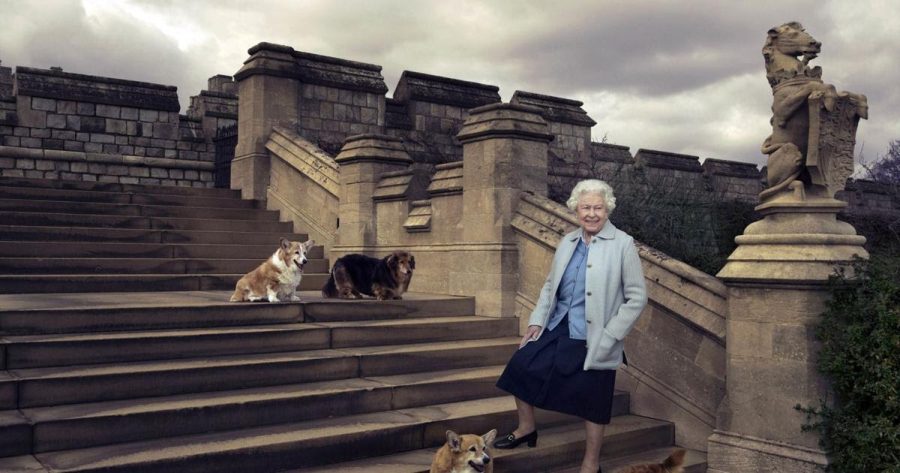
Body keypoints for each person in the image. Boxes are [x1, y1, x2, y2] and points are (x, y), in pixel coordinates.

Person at [494, 179, 647, 473]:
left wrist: (612, 334)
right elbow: (551, 286)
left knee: (594, 397)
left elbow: (637, 297)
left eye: (598, 208)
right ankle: (527, 428)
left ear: (608, 210)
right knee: (521, 364)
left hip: (596, 335)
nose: (591, 213)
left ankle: (591, 463)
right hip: (559, 324)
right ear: (576, 209)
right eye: (586, 207)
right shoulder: (567, 242)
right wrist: (537, 321)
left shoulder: (623, 244)